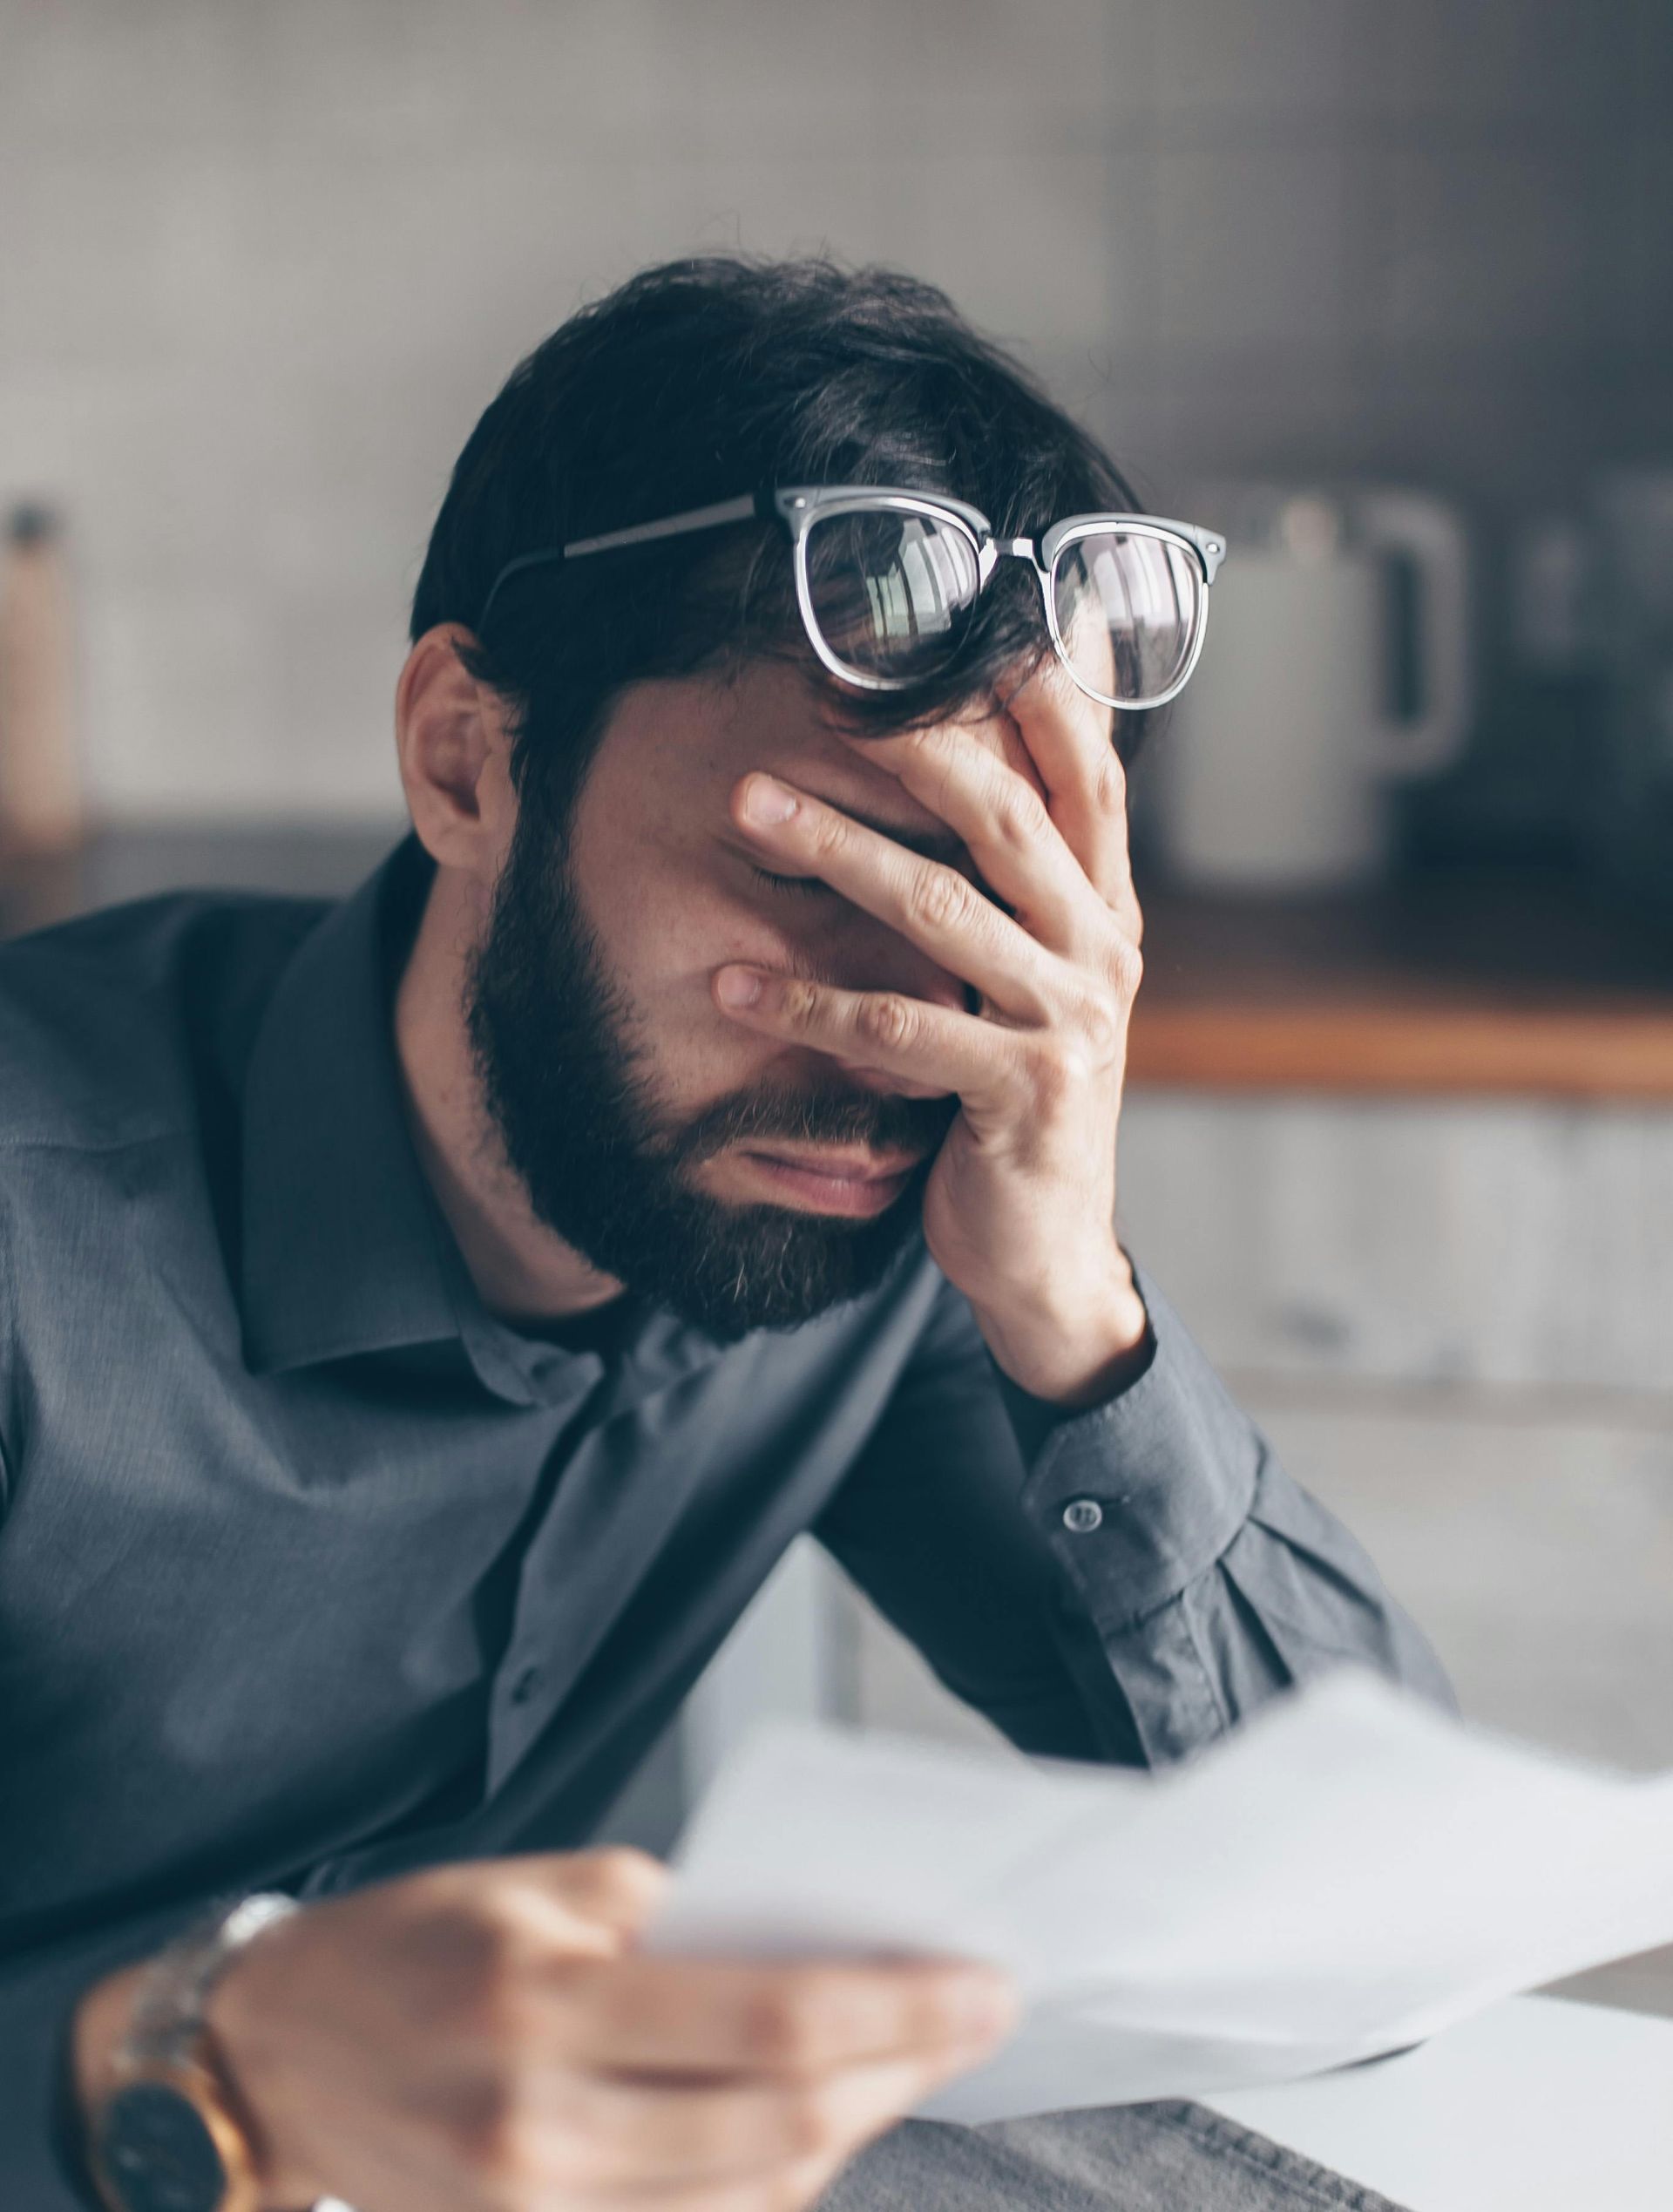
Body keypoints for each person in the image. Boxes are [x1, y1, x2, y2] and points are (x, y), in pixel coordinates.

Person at [0, 255, 1453, 2212]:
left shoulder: (887, 1226)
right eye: (806, 867)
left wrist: (1071, 1303)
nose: (900, 1025)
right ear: (465, 761)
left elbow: (1364, 1909)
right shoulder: (37, 1234)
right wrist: (181, 2065)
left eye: (971, 902)